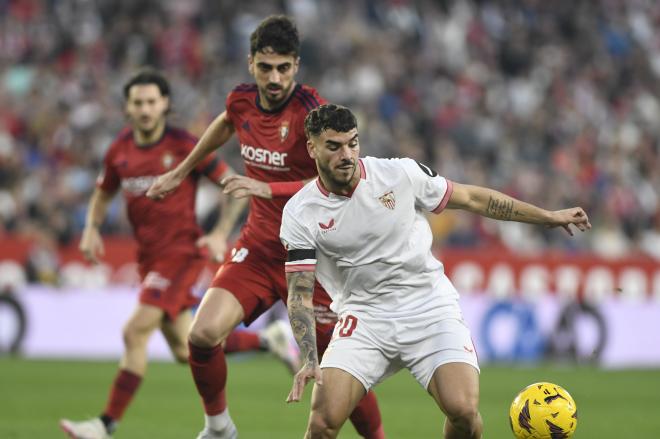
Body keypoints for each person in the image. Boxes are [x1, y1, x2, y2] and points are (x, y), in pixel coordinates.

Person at [281, 104, 592, 439]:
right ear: (311, 147)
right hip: (364, 316)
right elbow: (299, 293)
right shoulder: (301, 212)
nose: (347, 155)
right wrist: (310, 356)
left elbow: (473, 199)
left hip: (428, 306)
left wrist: (547, 216)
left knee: (463, 412)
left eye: (353, 143)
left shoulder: (399, 175)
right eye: (334, 146)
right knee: (322, 422)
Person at [146, 15, 384, 439]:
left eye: (284, 68)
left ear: (296, 65)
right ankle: (219, 427)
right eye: (265, 67)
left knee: (338, 367)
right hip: (258, 248)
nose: (274, 78)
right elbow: (225, 124)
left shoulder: (313, 112)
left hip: (315, 255)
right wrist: (183, 171)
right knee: (201, 336)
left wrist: (266, 188)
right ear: (250, 63)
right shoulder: (241, 101)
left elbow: (337, 178)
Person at [59, 68, 298, 439]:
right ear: (127, 107)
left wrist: (219, 232)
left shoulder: (185, 146)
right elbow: (104, 192)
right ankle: (269, 340)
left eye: (152, 102)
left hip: (182, 254)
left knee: (134, 331)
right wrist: (91, 227)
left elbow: (232, 186)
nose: (145, 109)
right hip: (149, 259)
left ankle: (104, 425)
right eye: (137, 103)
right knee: (187, 348)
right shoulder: (119, 150)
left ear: (165, 104)